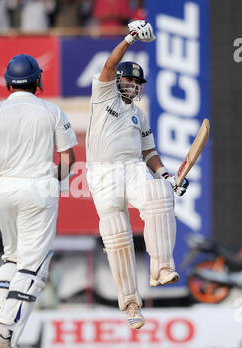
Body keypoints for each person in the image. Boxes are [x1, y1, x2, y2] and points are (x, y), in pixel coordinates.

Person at [0, 54, 77, 348]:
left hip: (5, 189)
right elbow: (67, 158)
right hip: (38, 189)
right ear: (38, 81)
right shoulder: (51, 110)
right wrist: (59, 179)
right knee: (34, 267)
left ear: (8, 82)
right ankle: (4, 332)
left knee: (12, 258)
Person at [86, 20, 189, 330]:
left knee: (160, 193)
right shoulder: (104, 96)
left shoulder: (139, 113)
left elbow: (149, 153)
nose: (132, 86)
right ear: (117, 82)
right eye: (127, 81)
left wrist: (166, 175)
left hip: (133, 168)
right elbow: (109, 63)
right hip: (103, 174)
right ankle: (130, 302)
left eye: (136, 83)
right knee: (116, 233)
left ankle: (161, 267)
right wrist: (130, 38)